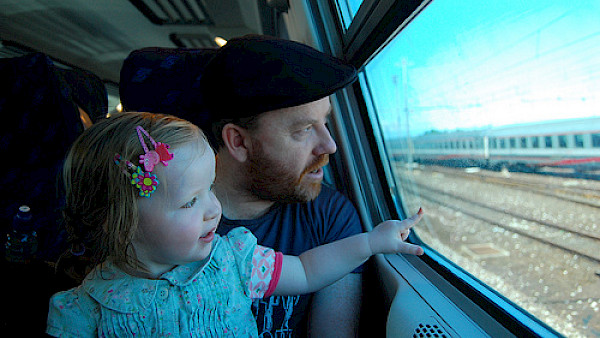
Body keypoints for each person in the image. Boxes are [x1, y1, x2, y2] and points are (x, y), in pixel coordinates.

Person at [46, 112, 424, 337]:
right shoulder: (85, 309)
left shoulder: (235, 260)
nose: (213, 209)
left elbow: (308, 271)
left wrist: (371, 243)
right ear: (120, 221)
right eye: (189, 201)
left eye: (210, 188)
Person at [119, 34, 368, 336]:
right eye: (304, 130)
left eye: (324, 123)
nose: (329, 146)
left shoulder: (330, 217)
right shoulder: (155, 224)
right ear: (238, 142)